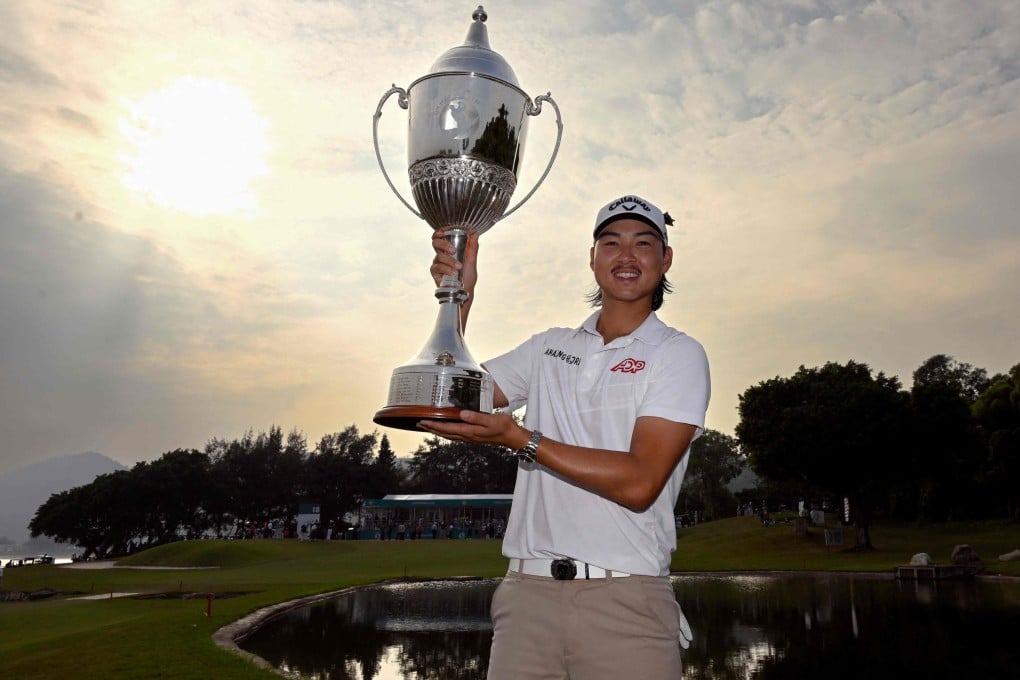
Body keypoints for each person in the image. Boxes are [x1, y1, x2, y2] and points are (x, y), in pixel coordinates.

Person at [419, 194, 711, 679]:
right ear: (593, 258)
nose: (626, 255)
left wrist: (521, 439)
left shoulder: (678, 354)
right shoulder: (549, 348)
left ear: (666, 259)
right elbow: (447, 398)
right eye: (611, 242)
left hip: (627, 601)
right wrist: (457, 297)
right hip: (526, 601)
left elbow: (640, 484)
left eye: (643, 243)